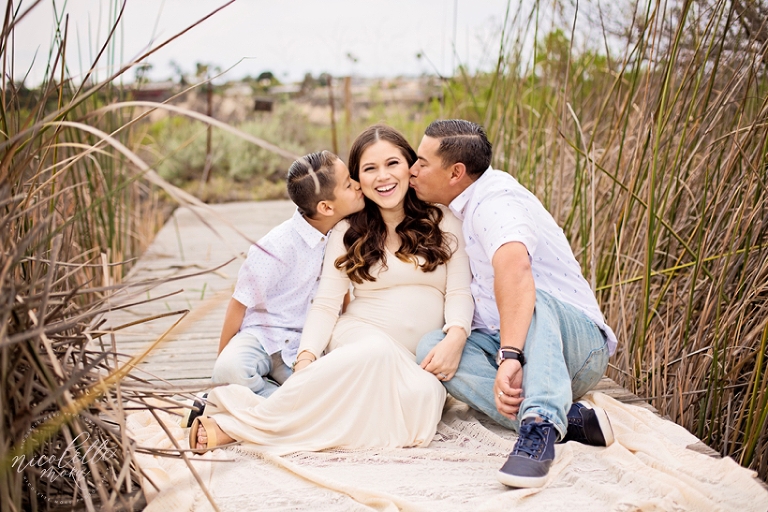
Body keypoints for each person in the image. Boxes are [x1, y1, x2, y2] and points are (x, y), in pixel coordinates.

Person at [189, 125, 474, 454]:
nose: (383, 176)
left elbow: (458, 292)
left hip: (416, 359)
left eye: (392, 163)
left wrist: (456, 336)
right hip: (361, 338)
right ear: (359, 179)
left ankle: (249, 424)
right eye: (369, 168)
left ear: (409, 166)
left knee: (422, 404)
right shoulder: (348, 230)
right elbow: (325, 304)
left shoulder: (444, 221)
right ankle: (236, 428)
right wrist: (307, 359)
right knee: (376, 353)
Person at [411, 119, 618, 489]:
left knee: (534, 299)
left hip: (576, 345)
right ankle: (569, 420)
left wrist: (511, 355)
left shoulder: (497, 202)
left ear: (456, 172)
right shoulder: (461, 205)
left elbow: (516, 269)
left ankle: (537, 433)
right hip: (511, 341)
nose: (413, 170)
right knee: (432, 348)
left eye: (422, 163)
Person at [210, 151, 364, 398]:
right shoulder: (277, 245)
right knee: (230, 370)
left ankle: (272, 401)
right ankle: (271, 399)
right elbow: (239, 303)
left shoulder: (344, 235)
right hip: (261, 337)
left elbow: (341, 292)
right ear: (326, 207)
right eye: (349, 184)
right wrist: (221, 365)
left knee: (327, 394)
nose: (358, 185)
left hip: (304, 347)